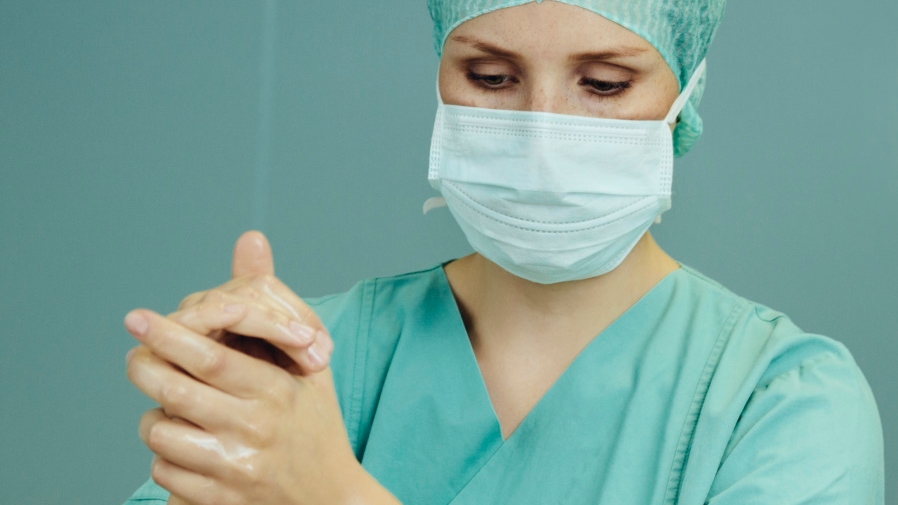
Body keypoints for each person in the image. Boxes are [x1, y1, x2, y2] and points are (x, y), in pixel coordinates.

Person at [121, 1, 885, 504]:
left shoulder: (782, 406)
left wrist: (331, 492)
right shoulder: (307, 364)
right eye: (491, 77)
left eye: (605, 84)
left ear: (685, 94)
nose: (543, 135)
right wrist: (215, 397)